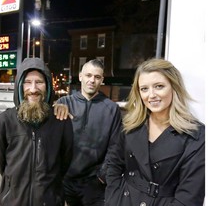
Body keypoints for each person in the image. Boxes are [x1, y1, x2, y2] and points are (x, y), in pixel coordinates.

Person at [105, 58, 205, 206]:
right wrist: (114, 198)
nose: (151, 95)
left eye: (158, 86)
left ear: (174, 87)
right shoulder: (131, 123)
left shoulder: (195, 134)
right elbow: (113, 164)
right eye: (144, 89)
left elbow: (190, 196)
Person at [0, 57, 74, 206]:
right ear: (19, 86)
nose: (33, 89)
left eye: (40, 82)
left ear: (48, 86)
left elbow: (65, 162)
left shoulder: (61, 122)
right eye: (27, 82)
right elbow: (2, 165)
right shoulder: (3, 122)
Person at [56, 59, 122, 206]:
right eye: (88, 75)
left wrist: (102, 177)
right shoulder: (63, 104)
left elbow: (116, 146)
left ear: (102, 80)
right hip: (65, 180)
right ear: (80, 76)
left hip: (94, 183)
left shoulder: (112, 109)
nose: (92, 80)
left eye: (97, 77)